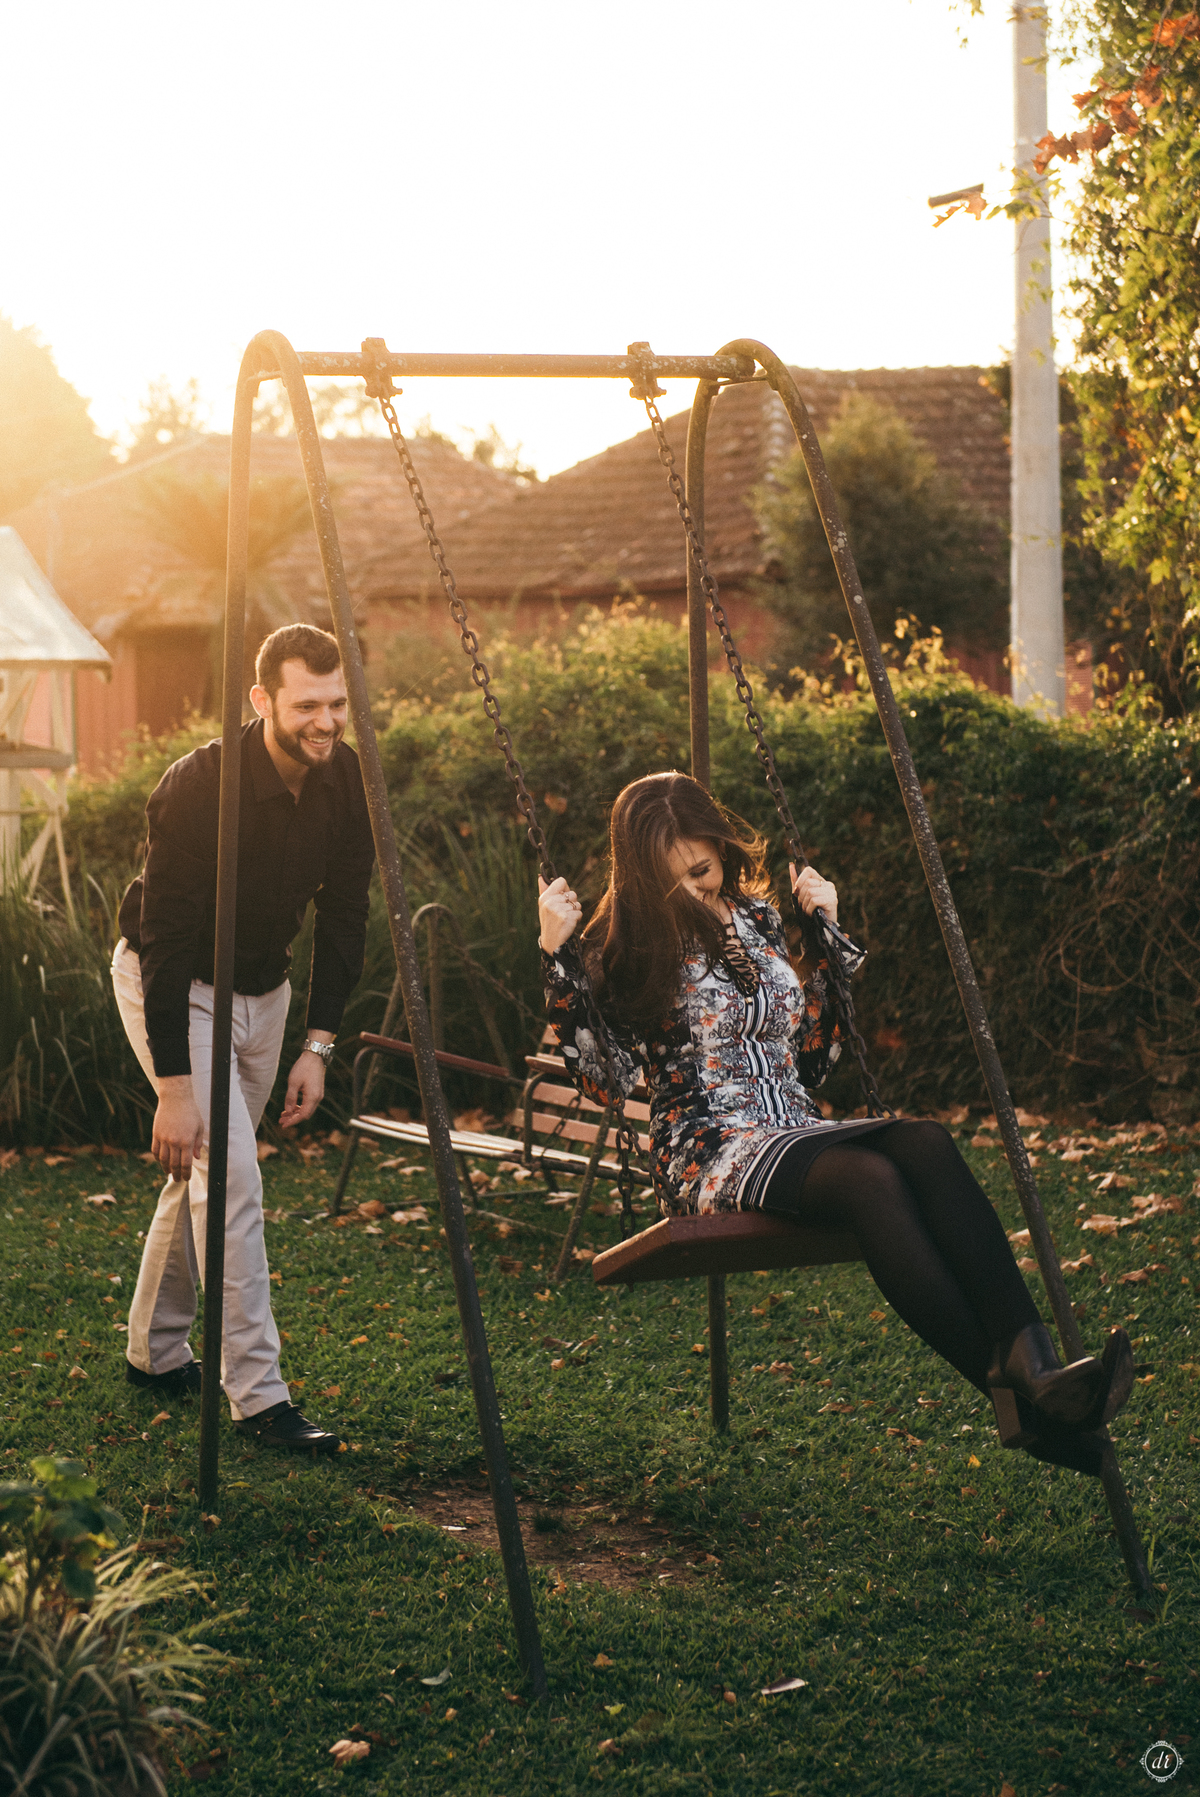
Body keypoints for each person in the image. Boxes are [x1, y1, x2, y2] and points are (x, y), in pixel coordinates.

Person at [538, 771, 1133, 1473]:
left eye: (702, 868)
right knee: (866, 1178)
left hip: (789, 1124)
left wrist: (825, 933)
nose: (695, 889)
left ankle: (1031, 1365)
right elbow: (605, 1077)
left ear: (721, 849)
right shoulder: (626, 944)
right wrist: (558, 958)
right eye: (674, 882)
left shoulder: (755, 918)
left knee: (925, 1140)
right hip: (710, 1150)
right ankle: (1016, 1396)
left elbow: (812, 1059)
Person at [111, 623, 376, 1456]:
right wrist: (175, 1088)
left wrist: (318, 1042)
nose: (325, 721)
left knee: (201, 1176)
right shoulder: (197, 786)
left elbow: (344, 917)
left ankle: (155, 1352)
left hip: (266, 993)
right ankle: (260, 1397)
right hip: (176, 981)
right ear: (262, 700)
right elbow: (163, 936)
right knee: (230, 1181)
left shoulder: (345, 781)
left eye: (337, 704)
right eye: (307, 705)